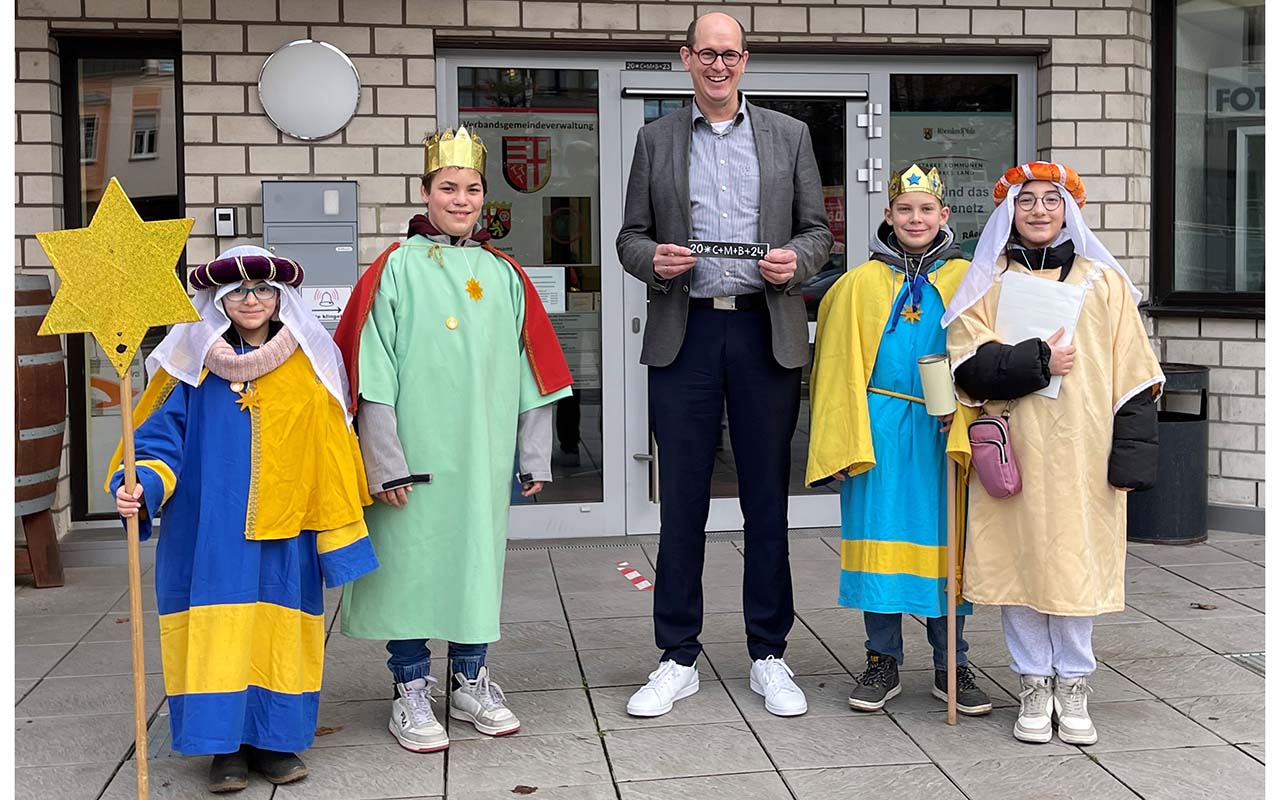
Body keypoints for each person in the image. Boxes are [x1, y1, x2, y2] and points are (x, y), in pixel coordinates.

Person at [616, 11, 833, 718]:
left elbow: (817, 231)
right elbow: (629, 238)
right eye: (705, 53)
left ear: (746, 60)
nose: (717, 64)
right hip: (688, 336)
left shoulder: (788, 135)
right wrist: (655, 261)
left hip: (765, 336)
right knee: (681, 502)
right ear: (685, 59)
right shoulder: (654, 139)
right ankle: (677, 656)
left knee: (766, 499)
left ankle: (770, 654)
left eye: (729, 53)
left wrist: (796, 261)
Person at [333, 127, 573, 753]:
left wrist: (531, 454)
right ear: (425, 192)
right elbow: (370, 374)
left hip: (481, 456)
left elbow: (535, 372)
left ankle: (470, 678)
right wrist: (383, 461)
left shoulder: (505, 274)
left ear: (485, 198)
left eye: (471, 189)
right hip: (412, 456)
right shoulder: (393, 270)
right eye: (448, 188)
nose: (460, 199)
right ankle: (410, 685)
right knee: (409, 570)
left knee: (474, 566)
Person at [110, 245, 378, 794]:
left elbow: (330, 447)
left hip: (287, 536)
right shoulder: (189, 363)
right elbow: (161, 438)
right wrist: (141, 483)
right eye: (237, 291)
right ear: (218, 299)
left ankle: (275, 743)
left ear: (280, 297)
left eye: (261, 289)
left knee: (278, 635)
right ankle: (223, 750)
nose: (250, 300)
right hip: (208, 534)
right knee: (216, 638)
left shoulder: (309, 361)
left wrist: (337, 535)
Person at [943, 162, 1164, 745]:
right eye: (1026, 201)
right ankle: (1033, 683)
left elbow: (1137, 376)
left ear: (1068, 209)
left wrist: (1133, 460)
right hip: (1015, 446)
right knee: (1018, 565)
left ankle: (1074, 682)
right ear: (1009, 212)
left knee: (1073, 567)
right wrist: (1039, 359)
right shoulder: (986, 282)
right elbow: (967, 365)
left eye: (1050, 200)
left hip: (1086, 452)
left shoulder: (1105, 284)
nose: (1039, 210)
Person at [807, 164, 991, 716]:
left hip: (942, 430)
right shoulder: (857, 284)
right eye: (904, 210)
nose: (915, 219)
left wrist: (966, 410)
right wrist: (840, 440)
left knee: (945, 546)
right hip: (879, 429)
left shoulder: (970, 281)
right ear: (888, 216)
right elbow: (833, 369)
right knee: (879, 543)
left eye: (926, 209)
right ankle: (881, 659)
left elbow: (987, 355)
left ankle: (949, 661)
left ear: (944, 216)